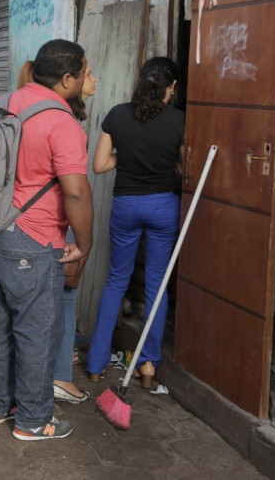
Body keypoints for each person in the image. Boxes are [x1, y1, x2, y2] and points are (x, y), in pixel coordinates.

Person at [0, 39, 93, 441]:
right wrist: (83, 245)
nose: (88, 78)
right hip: (32, 240)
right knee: (36, 331)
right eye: (85, 72)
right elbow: (75, 192)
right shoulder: (62, 123)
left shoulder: (3, 103)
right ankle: (34, 420)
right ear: (67, 79)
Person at [86, 57, 184, 388]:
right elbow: (185, 170)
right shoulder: (178, 120)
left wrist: (125, 157)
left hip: (126, 206)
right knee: (157, 286)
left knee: (117, 280)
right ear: (170, 88)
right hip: (163, 207)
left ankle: (97, 363)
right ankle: (147, 366)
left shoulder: (117, 114)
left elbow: (99, 164)